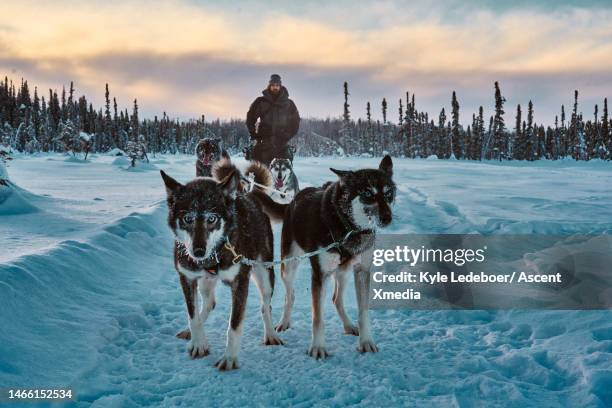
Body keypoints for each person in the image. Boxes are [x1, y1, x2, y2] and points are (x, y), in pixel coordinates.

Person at [246, 74, 300, 165]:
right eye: (273, 85)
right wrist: (254, 134)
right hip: (264, 142)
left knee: (283, 173)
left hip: (282, 143)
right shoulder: (260, 101)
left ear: (280, 86)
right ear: (269, 86)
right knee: (258, 170)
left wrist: (287, 135)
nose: (275, 87)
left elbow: (295, 121)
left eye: (277, 85)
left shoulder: (289, 104)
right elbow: (250, 117)